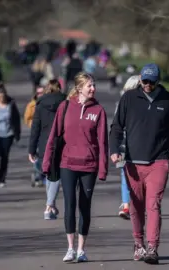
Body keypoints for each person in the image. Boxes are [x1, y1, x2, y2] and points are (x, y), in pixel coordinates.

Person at [109, 63, 169, 265]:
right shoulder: (129, 99)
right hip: (133, 163)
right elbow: (116, 127)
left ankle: (152, 247)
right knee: (135, 207)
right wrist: (114, 150)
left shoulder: (168, 100)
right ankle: (138, 243)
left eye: (152, 81)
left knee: (153, 205)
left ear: (158, 80)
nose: (148, 84)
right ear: (140, 79)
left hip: (158, 161)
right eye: (145, 81)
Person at [42, 72, 108, 263]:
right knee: (69, 205)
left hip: (89, 165)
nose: (93, 89)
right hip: (67, 163)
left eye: (94, 85)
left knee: (84, 207)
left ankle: (81, 249)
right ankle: (70, 248)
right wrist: (47, 162)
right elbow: (53, 136)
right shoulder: (65, 107)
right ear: (79, 88)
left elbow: (103, 142)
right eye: (89, 86)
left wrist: (102, 168)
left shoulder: (99, 111)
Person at [28, 79, 66, 219]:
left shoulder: (40, 104)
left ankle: (50, 205)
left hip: (45, 144)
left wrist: (31, 149)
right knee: (55, 175)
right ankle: (50, 205)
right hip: (62, 141)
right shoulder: (66, 103)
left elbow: (35, 128)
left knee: (50, 174)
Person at [115, 75, 140, 220]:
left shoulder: (122, 102)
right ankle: (128, 204)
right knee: (131, 174)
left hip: (126, 143)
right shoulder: (140, 102)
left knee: (126, 175)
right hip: (131, 143)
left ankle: (126, 204)